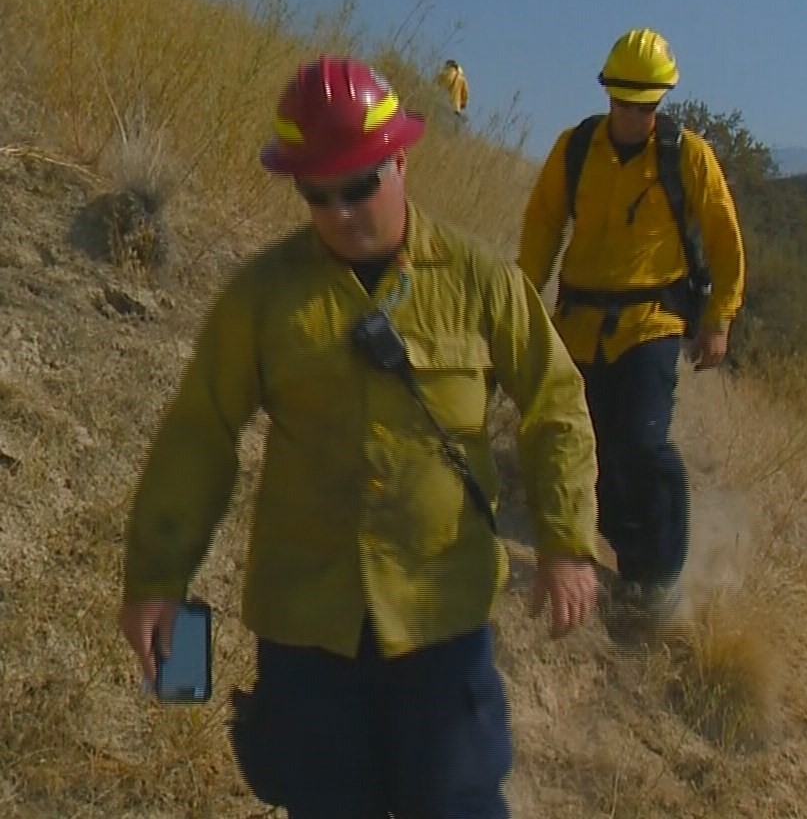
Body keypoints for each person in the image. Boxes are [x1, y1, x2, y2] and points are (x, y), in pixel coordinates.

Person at [118, 56, 602, 818]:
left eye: (359, 186)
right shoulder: (265, 297)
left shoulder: (479, 280)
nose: (340, 210)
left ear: (400, 161)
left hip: (441, 622)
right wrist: (155, 578)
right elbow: (198, 431)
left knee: (457, 804)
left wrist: (567, 542)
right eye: (318, 194)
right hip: (310, 630)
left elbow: (555, 402)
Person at [516, 27, 745, 640]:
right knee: (585, 442)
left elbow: (723, 238)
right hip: (581, 322)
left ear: (661, 101)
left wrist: (719, 318)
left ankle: (659, 575)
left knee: (642, 443)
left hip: (652, 322)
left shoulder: (686, 156)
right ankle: (611, 550)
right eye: (622, 100)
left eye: (644, 104)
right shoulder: (574, 150)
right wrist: (516, 300)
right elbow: (542, 228)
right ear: (607, 92)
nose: (631, 114)